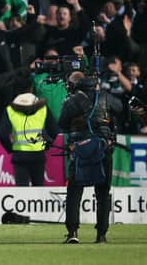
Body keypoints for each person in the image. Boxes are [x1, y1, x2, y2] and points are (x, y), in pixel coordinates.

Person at [58, 72, 124, 244]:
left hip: (80, 150)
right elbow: (122, 110)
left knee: (74, 192)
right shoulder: (106, 98)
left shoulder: (70, 102)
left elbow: (62, 124)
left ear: (76, 86)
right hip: (103, 148)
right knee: (102, 193)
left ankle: (73, 232)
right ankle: (101, 235)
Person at [0, 92, 59, 186]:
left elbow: (2, 134)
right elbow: (54, 131)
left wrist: (10, 148)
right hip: (38, 154)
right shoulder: (43, 109)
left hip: (19, 155)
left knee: (22, 192)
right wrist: (47, 145)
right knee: (38, 191)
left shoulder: (10, 110)